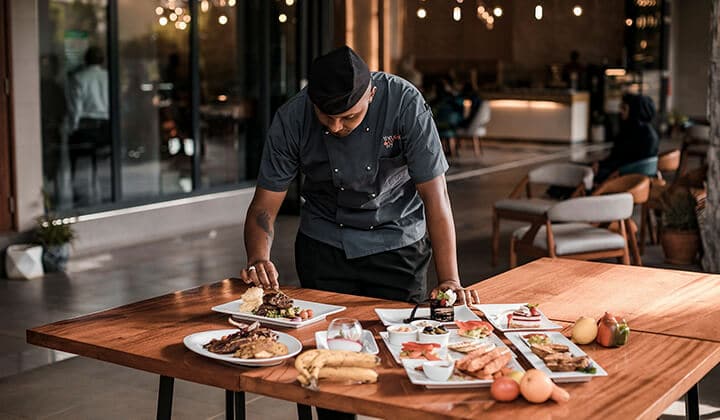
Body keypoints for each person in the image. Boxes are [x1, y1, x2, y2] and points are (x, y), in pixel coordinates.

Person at [239, 46, 480, 419]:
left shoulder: (405, 103)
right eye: (326, 118)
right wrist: (258, 257)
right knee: (331, 370)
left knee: (402, 362)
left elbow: (436, 197)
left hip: (398, 245)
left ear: (371, 94)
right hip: (324, 247)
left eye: (348, 117)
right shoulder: (292, 117)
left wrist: (449, 278)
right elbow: (263, 208)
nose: (335, 128)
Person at [66, 46, 110, 204]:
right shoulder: (108, 77)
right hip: (106, 126)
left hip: (86, 125)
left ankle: (79, 194)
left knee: (78, 160)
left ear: (85, 60)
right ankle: (106, 193)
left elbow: (75, 108)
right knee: (102, 160)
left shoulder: (79, 78)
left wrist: (72, 128)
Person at [594, 93, 659, 184]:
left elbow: (625, 161)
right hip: (630, 175)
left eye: (624, 108)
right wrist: (600, 164)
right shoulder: (641, 131)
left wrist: (601, 165)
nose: (620, 111)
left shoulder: (640, 135)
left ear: (635, 110)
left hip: (626, 178)